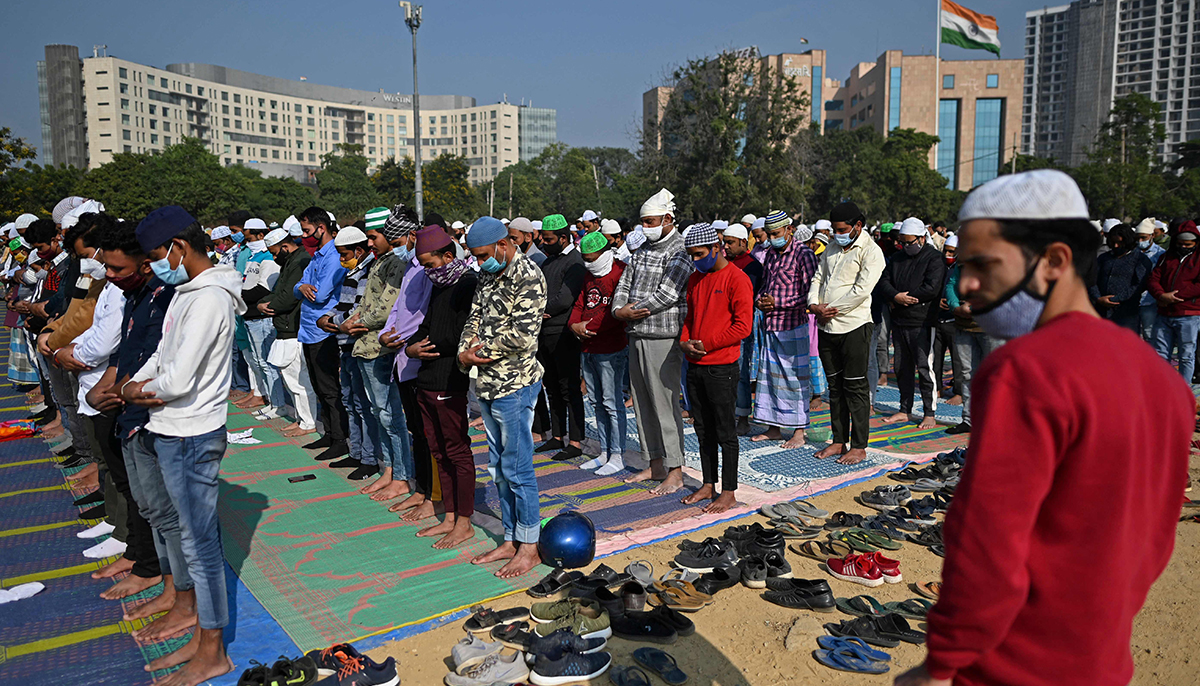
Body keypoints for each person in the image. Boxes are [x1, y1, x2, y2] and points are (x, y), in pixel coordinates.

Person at [895, 169, 1193, 686]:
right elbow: (1154, 536)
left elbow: (987, 537)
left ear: (1053, 261)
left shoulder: (1024, 370)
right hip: (1099, 657)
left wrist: (944, 662)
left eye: (984, 265)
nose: (966, 283)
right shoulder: (1164, 383)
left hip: (1010, 663)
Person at [121, 205, 245, 686]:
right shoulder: (185, 293)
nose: (153, 266)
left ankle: (213, 650)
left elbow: (176, 378)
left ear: (180, 247)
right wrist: (137, 380)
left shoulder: (210, 298)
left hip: (192, 432)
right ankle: (200, 635)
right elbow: (162, 355)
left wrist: (132, 390)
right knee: (190, 540)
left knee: (201, 547)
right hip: (170, 428)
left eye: (156, 256)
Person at [458, 216, 547, 578]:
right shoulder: (488, 274)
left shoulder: (529, 277)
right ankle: (510, 539)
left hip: (516, 383)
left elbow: (523, 336)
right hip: (488, 383)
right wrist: (465, 351)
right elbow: (474, 317)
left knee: (518, 467)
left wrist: (480, 351)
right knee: (497, 467)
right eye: (476, 258)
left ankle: (530, 546)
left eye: (483, 255)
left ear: (504, 244)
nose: (480, 263)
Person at [612, 189, 692, 495]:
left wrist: (633, 310)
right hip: (636, 333)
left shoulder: (681, 249)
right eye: (643, 222)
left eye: (651, 221)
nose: (646, 227)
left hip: (663, 336)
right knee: (643, 403)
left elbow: (669, 294)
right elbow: (624, 283)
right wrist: (619, 309)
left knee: (664, 404)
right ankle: (655, 462)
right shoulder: (642, 249)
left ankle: (675, 469)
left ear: (668, 219)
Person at [407, 225, 479, 548]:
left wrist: (428, 343)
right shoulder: (440, 284)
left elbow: (460, 336)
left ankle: (464, 521)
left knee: (457, 451)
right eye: (422, 265)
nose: (427, 271)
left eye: (430, 264)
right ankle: (449, 515)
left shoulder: (466, 284)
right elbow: (425, 326)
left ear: (448, 256)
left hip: (450, 380)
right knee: (438, 450)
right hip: (427, 379)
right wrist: (410, 348)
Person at [679, 223, 752, 513]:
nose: (696, 261)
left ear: (716, 247)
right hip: (695, 364)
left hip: (721, 366)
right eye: (692, 256)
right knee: (702, 429)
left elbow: (742, 325)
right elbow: (689, 317)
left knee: (725, 431)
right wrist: (685, 342)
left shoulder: (737, 278)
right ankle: (708, 483)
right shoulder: (695, 279)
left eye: (699, 254)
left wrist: (707, 343)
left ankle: (729, 491)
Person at [809, 202, 885, 465]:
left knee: (855, 386)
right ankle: (838, 440)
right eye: (834, 229)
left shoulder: (872, 252)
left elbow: (862, 290)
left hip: (854, 326)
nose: (836, 233)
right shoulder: (831, 247)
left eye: (841, 229)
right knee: (835, 387)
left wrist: (830, 308)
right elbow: (818, 277)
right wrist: (813, 305)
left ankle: (859, 445)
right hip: (826, 326)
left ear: (857, 227)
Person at [347, 208, 413, 484]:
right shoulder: (380, 261)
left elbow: (386, 308)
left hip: (380, 348)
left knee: (389, 416)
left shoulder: (396, 263)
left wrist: (353, 323)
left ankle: (401, 475)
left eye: (374, 237)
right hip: (366, 345)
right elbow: (366, 303)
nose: (370, 244)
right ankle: (388, 470)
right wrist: (352, 320)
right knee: (378, 413)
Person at [378, 212, 436, 517]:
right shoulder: (411, 268)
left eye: (399, 241)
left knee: (428, 434)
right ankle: (422, 490)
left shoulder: (428, 270)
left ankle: (431, 496)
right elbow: (399, 309)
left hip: (415, 356)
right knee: (416, 430)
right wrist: (387, 332)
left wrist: (399, 337)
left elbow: (423, 317)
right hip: (401, 356)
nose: (398, 247)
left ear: (413, 236)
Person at [751, 210, 818, 448]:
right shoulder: (769, 254)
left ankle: (799, 431)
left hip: (793, 325)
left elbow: (811, 294)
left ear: (789, 230)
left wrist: (779, 303)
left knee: (795, 379)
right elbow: (765, 285)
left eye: (776, 233)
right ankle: (774, 427)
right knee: (769, 378)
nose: (772, 238)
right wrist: (760, 299)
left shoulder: (804, 254)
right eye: (769, 234)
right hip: (770, 324)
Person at [568, 232, 628, 475]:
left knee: (612, 403)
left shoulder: (621, 272)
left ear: (605, 252)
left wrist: (587, 327)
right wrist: (574, 325)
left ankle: (618, 454)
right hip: (588, 347)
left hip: (611, 348)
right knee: (596, 402)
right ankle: (604, 451)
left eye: (593, 258)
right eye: (585, 259)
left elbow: (617, 311)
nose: (589, 263)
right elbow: (580, 304)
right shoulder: (588, 275)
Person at [878, 218, 946, 430]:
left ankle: (929, 412)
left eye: (910, 242)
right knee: (901, 367)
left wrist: (908, 297)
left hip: (923, 321)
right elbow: (883, 282)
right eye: (903, 243)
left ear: (922, 238)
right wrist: (896, 296)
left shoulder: (934, 258)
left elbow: (932, 288)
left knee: (925, 368)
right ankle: (904, 409)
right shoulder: (897, 258)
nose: (907, 246)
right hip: (900, 321)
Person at [294, 206, 350, 461]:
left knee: (329, 387)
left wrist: (305, 287)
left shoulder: (334, 256)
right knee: (318, 386)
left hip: (323, 330)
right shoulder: (317, 255)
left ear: (321, 227)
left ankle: (340, 438)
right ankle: (328, 433)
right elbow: (301, 285)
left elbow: (321, 293)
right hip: (308, 328)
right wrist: (302, 286)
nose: (304, 235)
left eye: (307, 230)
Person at [531, 214, 588, 461]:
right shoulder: (547, 262)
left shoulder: (574, 262)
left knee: (569, 388)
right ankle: (557, 436)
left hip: (563, 332)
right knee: (552, 387)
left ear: (563, 238)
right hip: (545, 332)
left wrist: (540, 311)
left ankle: (575, 441)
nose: (544, 242)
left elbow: (565, 298)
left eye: (549, 239)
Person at [324, 225, 379, 478]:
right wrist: (329, 318)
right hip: (344, 345)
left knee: (363, 405)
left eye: (345, 254)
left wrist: (332, 322)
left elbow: (357, 312)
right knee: (350, 402)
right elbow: (343, 308)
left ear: (359, 250)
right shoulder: (353, 271)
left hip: (358, 346)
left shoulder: (367, 272)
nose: (342, 260)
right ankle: (355, 452)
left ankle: (369, 459)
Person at [260, 228, 317, 437]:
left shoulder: (300, 261)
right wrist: (261, 304)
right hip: (286, 327)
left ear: (285, 247)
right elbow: (277, 293)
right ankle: (300, 419)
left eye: (275, 252)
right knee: (291, 379)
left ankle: (308, 422)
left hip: (295, 328)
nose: (275, 257)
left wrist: (267, 305)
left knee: (300, 381)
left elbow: (287, 299)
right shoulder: (289, 262)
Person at [943, 237, 1002, 436]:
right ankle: (968, 420)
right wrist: (956, 307)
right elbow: (951, 284)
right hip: (964, 325)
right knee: (967, 374)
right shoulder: (963, 262)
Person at [238, 218, 287, 421]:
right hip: (249, 316)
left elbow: (262, 289)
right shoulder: (253, 256)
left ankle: (279, 405)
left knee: (267, 363)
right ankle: (271, 402)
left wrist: (237, 294)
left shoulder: (268, 258)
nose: (248, 242)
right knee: (259, 361)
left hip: (260, 317)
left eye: (250, 238)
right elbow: (247, 283)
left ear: (261, 234)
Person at [723, 223, 764, 433]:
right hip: (721, 322)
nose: (726, 247)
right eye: (724, 242)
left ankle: (743, 417)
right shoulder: (723, 264)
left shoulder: (752, 266)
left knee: (740, 371)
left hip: (740, 324)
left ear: (742, 242)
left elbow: (747, 297)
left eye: (730, 243)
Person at [1147, 220, 1200, 382]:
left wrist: (1174, 296)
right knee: (1160, 354)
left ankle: (1183, 391)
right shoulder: (1166, 257)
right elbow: (1153, 278)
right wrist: (1161, 295)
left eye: (1188, 244)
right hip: (1164, 313)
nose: (1183, 247)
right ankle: (1164, 389)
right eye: (1180, 244)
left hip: (1188, 314)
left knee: (1186, 356)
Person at [1089, 223, 1152, 332]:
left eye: (1120, 243)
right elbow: (1092, 278)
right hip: (1101, 310)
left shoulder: (1140, 260)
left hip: (1126, 314)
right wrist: (1098, 297)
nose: (1116, 246)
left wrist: (1115, 299)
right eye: (1113, 242)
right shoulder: (1104, 258)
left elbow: (1138, 285)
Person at [932, 235, 964, 405]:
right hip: (938, 319)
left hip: (955, 320)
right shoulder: (938, 267)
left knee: (957, 359)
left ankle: (959, 392)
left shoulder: (961, 269)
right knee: (936, 356)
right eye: (946, 251)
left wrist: (954, 304)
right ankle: (937, 386)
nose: (947, 255)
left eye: (952, 252)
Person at [1134, 218, 1166, 341]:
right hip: (1133, 299)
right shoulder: (1132, 252)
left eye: (1143, 238)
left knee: (1150, 334)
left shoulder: (1160, 254)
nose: (1140, 241)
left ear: (1152, 236)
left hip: (1150, 301)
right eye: (1137, 238)